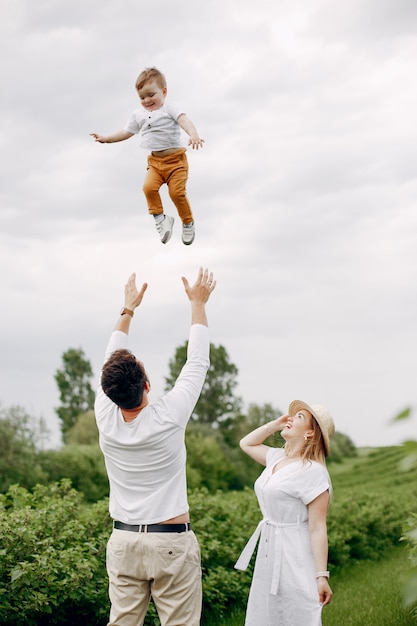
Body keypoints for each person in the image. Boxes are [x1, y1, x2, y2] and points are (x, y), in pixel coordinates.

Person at [94, 267, 216, 626]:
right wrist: (198, 303)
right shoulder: (169, 416)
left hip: (123, 542)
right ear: (146, 383)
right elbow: (197, 362)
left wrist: (127, 309)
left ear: (110, 394)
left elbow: (109, 357)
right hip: (170, 542)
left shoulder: (105, 415)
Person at [235, 400, 335, 626]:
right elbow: (246, 443)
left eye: (299, 417)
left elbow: (317, 527)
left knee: (296, 611)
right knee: (267, 612)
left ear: (310, 433)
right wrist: (274, 425)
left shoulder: (314, 472)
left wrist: (322, 577)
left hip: (295, 552)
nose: (290, 419)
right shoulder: (277, 458)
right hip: (269, 548)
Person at [90, 67, 204, 246]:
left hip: (176, 162)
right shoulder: (138, 115)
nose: (147, 100)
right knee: (148, 188)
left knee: (176, 193)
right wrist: (106, 139)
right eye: (142, 97)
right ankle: (161, 219)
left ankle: (188, 222)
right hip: (155, 163)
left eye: (151, 95)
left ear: (164, 91)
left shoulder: (169, 108)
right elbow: (126, 132)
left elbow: (184, 120)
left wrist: (193, 134)